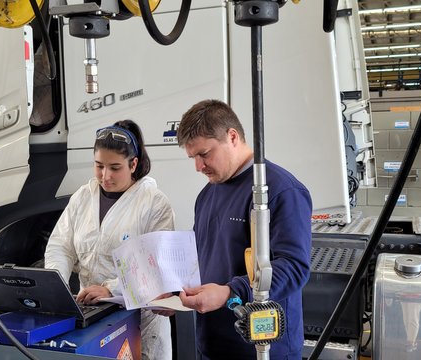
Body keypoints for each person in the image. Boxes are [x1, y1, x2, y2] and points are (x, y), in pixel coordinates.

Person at [176, 99, 312, 359]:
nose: (198, 166)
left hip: (261, 348)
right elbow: (200, 259)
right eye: (193, 158)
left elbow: (294, 267)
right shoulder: (207, 195)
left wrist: (231, 291)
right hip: (213, 344)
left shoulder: (281, 190)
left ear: (232, 136)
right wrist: (176, 294)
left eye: (204, 154)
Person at [43, 120, 174, 360]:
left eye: (115, 167)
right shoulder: (83, 197)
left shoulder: (154, 203)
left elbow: (154, 267)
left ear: (133, 164)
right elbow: (60, 246)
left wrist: (109, 289)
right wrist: (56, 285)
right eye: (99, 166)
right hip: (89, 315)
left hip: (138, 322)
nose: (105, 176)